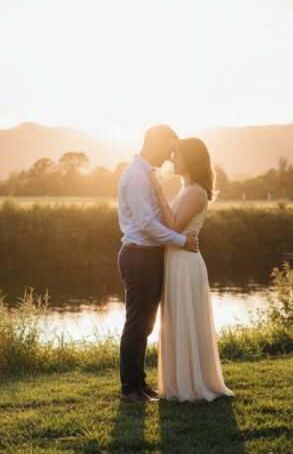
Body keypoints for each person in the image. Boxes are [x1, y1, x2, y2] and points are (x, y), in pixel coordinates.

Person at [116, 124, 198, 403]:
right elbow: (145, 224)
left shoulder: (147, 174)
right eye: (168, 148)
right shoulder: (137, 177)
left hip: (148, 255)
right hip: (139, 255)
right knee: (137, 324)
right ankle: (129, 389)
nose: (169, 156)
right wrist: (180, 240)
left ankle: (140, 384)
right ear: (155, 142)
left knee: (146, 325)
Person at [150, 137, 234, 401]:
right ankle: (178, 382)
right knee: (176, 320)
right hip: (176, 260)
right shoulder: (187, 189)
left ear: (190, 159)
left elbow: (173, 226)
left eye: (177, 155)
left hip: (185, 263)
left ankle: (192, 384)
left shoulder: (196, 191)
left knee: (185, 318)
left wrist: (159, 191)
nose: (172, 159)